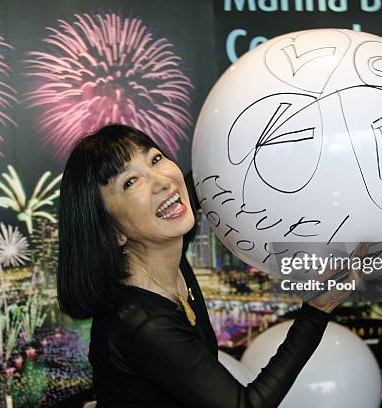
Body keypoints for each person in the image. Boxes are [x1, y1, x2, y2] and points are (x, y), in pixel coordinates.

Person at [57, 124, 362, 407]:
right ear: (111, 230)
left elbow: (198, 182)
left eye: (155, 159)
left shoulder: (164, 250)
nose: (162, 181)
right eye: (130, 182)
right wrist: (315, 312)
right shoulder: (142, 323)